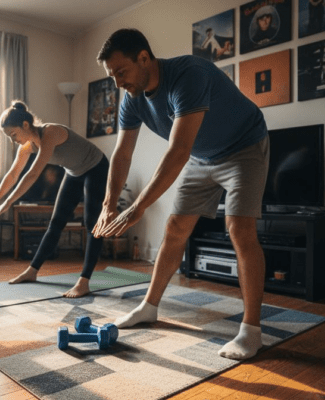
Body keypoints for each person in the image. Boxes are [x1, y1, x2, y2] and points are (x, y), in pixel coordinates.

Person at [92, 28, 269, 360]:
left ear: (143, 58)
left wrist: (138, 207)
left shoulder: (189, 74)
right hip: (202, 157)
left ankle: (251, 331)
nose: (117, 83)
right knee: (175, 228)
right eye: (112, 75)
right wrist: (109, 204)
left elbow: (177, 152)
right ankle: (149, 307)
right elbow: (122, 154)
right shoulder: (131, 99)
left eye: (121, 72)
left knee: (239, 229)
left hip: (243, 148)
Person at [0, 101, 109, 298]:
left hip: (96, 167)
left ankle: (84, 282)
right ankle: (32, 271)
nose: (13, 140)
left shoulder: (50, 132)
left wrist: (8, 203)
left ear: (25, 125)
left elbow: (32, 174)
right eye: (9, 137)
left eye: (13, 135)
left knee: (92, 224)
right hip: (74, 172)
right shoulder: (26, 147)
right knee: (56, 223)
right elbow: (12, 175)